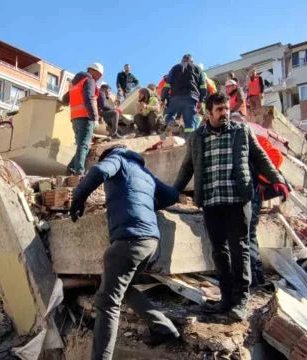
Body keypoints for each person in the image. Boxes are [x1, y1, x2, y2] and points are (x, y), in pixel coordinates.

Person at [174, 93, 288, 321]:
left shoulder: (241, 132)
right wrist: (172, 191)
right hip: (211, 202)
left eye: (226, 108)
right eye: (219, 109)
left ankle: (241, 299)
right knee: (219, 251)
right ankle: (226, 298)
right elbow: (187, 167)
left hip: (238, 200)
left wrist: (277, 179)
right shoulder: (196, 138)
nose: (224, 113)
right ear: (208, 113)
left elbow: (261, 157)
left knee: (240, 249)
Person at [69, 145, 181, 359]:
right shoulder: (144, 172)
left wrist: (79, 196)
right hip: (151, 242)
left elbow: (99, 172)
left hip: (129, 239)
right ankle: (164, 328)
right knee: (123, 288)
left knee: (107, 302)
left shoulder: (117, 159)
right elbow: (172, 195)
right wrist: (146, 203)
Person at [230, 112, 285, 287]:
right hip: (243, 194)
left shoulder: (255, 139)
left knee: (245, 234)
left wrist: (262, 179)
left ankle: (252, 277)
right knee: (249, 235)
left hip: (251, 194)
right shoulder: (233, 141)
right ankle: (257, 275)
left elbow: (277, 157)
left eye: (236, 123)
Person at [65, 62, 103, 175]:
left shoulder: (75, 83)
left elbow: (64, 99)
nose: (99, 78)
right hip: (86, 117)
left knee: (81, 145)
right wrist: (94, 117)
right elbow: (89, 99)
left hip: (75, 118)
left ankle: (71, 168)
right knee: (84, 145)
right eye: (99, 75)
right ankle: (79, 172)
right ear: (94, 71)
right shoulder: (89, 80)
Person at [163, 54, 207, 134]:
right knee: (190, 126)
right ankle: (189, 142)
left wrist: (163, 98)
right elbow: (203, 86)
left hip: (175, 98)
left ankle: (171, 121)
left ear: (182, 60)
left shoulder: (175, 68)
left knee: (167, 114)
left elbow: (167, 85)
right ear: (192, 61)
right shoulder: (198, 69)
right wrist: (201, 100)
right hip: (190, 99)